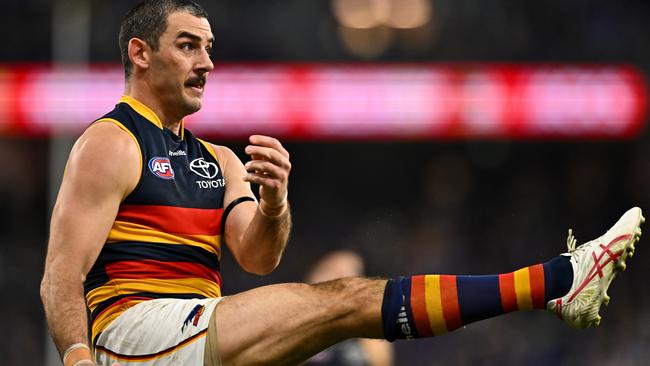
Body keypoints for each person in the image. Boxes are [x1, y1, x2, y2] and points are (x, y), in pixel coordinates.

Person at [39, 1, 644, 365]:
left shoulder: (217, 160)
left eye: (210, 48)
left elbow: (258, 256)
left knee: (341, 269)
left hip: (195, 332)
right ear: (141, 54)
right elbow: (60, 280)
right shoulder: (110, 142)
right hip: (135, 338)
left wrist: (274, 203)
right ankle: (558, 282)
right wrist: (79, 358)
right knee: (344, 304)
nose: (207, 63)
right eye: (188, 46)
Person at [303, 251, 393, 366]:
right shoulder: (294, 321)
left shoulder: (371, 330)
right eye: (330, 269)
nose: (337, 278)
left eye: (346, 273)